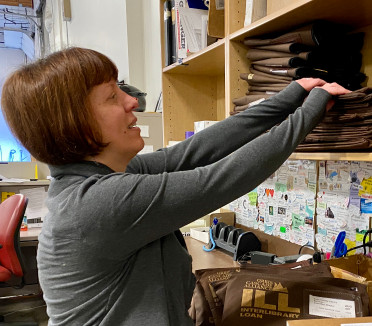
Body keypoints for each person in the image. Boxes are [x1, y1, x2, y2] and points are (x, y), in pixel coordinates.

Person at [1, 47, 350, 326]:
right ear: (72, 124)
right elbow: (222, 179)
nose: (131, 101)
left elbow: (196, 152)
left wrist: (289, 98)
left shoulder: (103, 177)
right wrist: (309, 112)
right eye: (111, 96)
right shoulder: (98, 202)